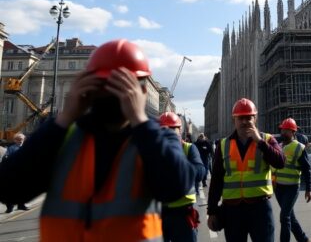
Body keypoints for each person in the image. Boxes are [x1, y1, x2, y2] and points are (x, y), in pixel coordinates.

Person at [0, 39, 196, 241]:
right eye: (105, 85)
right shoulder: (63, 136)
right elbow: (9, 190)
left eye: (122, 86)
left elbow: (177, 187)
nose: (112, 93)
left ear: (141, 93)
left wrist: (140, 120)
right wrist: (64, 118)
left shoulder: (157, 137)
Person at [207, 98, 285, 242]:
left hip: (260, 209)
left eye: (248, 117)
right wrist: (211, 211)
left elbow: (280, 162)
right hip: (232, 211)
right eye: (240, 118)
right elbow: (216, 180)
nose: (244, 122)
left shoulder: (267, 139)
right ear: (234, 120)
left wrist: (260, 142)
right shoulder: (223, 145)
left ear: (255, 118)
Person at [159, 112, 206, 242]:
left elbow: (200, 171)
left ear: (180, 130)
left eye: (172, 128)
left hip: (183, 214)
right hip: (160, 214)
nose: (168, 132)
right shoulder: (153, 151)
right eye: (164, 129)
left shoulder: (189, 149)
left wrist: (180, 167)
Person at [274, 118, 311, 242]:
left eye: (286, 130)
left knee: (284, 217)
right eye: (282, 130)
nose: (283, 132)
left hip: (292, 188)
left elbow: (307, 170)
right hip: (279, 188)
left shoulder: (299, 148)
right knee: (290, 216)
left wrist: (308, 189)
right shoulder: (279, 146)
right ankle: (303, 239)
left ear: (293, 132)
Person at [2, 133, 28, 213]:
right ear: (15, 140)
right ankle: (10, 207)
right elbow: (6, 158)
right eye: (18, 139)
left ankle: (21, 205)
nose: (20, 141)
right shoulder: (11, 148)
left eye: (21, 139)